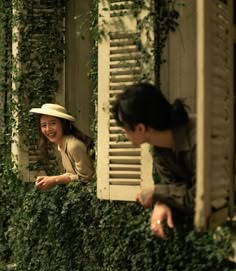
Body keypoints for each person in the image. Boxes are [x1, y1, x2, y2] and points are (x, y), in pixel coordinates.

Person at [112, 82, 196, 239]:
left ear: (141, 129)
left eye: (123, 126)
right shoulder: (159, 149)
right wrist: (162, 202)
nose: (123, 132)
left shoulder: (199, 139)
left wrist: (156, 193)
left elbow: (199, 197)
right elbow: (175, 188)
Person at [30, 103, 94, 191]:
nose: (48, 129)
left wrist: (55, 180)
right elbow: (71, 174)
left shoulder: (73, 146)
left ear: (63, 124)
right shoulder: (62, 145)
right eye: (44, 125)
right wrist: (50, 179)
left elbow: (86, 178)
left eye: (53, 123)